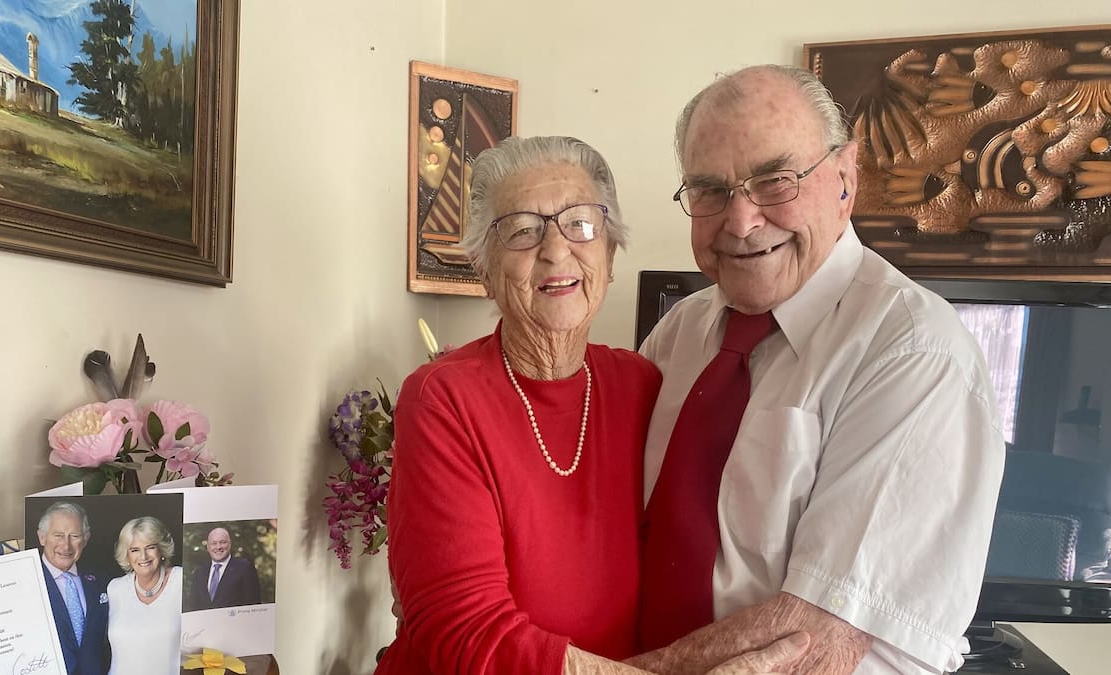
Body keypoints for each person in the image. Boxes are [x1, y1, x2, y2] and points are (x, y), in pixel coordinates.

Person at [377, 135, 808, 675]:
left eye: (580, 223)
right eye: (522, 230)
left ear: (609, 254)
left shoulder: (644, 385)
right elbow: (463, 632)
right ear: (485, 272)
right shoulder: (444, 398)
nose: (556, 250)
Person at [632, 65, 1006, 674]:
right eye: (709, 190)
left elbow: (814, 641)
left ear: (845, 178)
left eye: (776, 180)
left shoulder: (912, 351)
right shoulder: (678, 335)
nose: (742, 220)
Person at [36, 501, 110, 675]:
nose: (66, 545)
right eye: (58, 535)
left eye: (75, 536)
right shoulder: (26, 582)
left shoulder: (101, 581)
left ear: (86, 539)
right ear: (42, 537)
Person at [106, 516, 182, 675]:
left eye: (150, 547)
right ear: (127, 554)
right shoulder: (115, 588)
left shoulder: (180, 580)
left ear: (161, 548)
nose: (143, 556)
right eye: (135, 550)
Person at [187, 526, 261, 611]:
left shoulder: (245, 568)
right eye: (214, 543)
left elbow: (253, 607)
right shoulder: (199, 573)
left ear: (230, 544)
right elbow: (192, 608)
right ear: (208, 547)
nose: (218, 547)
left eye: (223, 542)